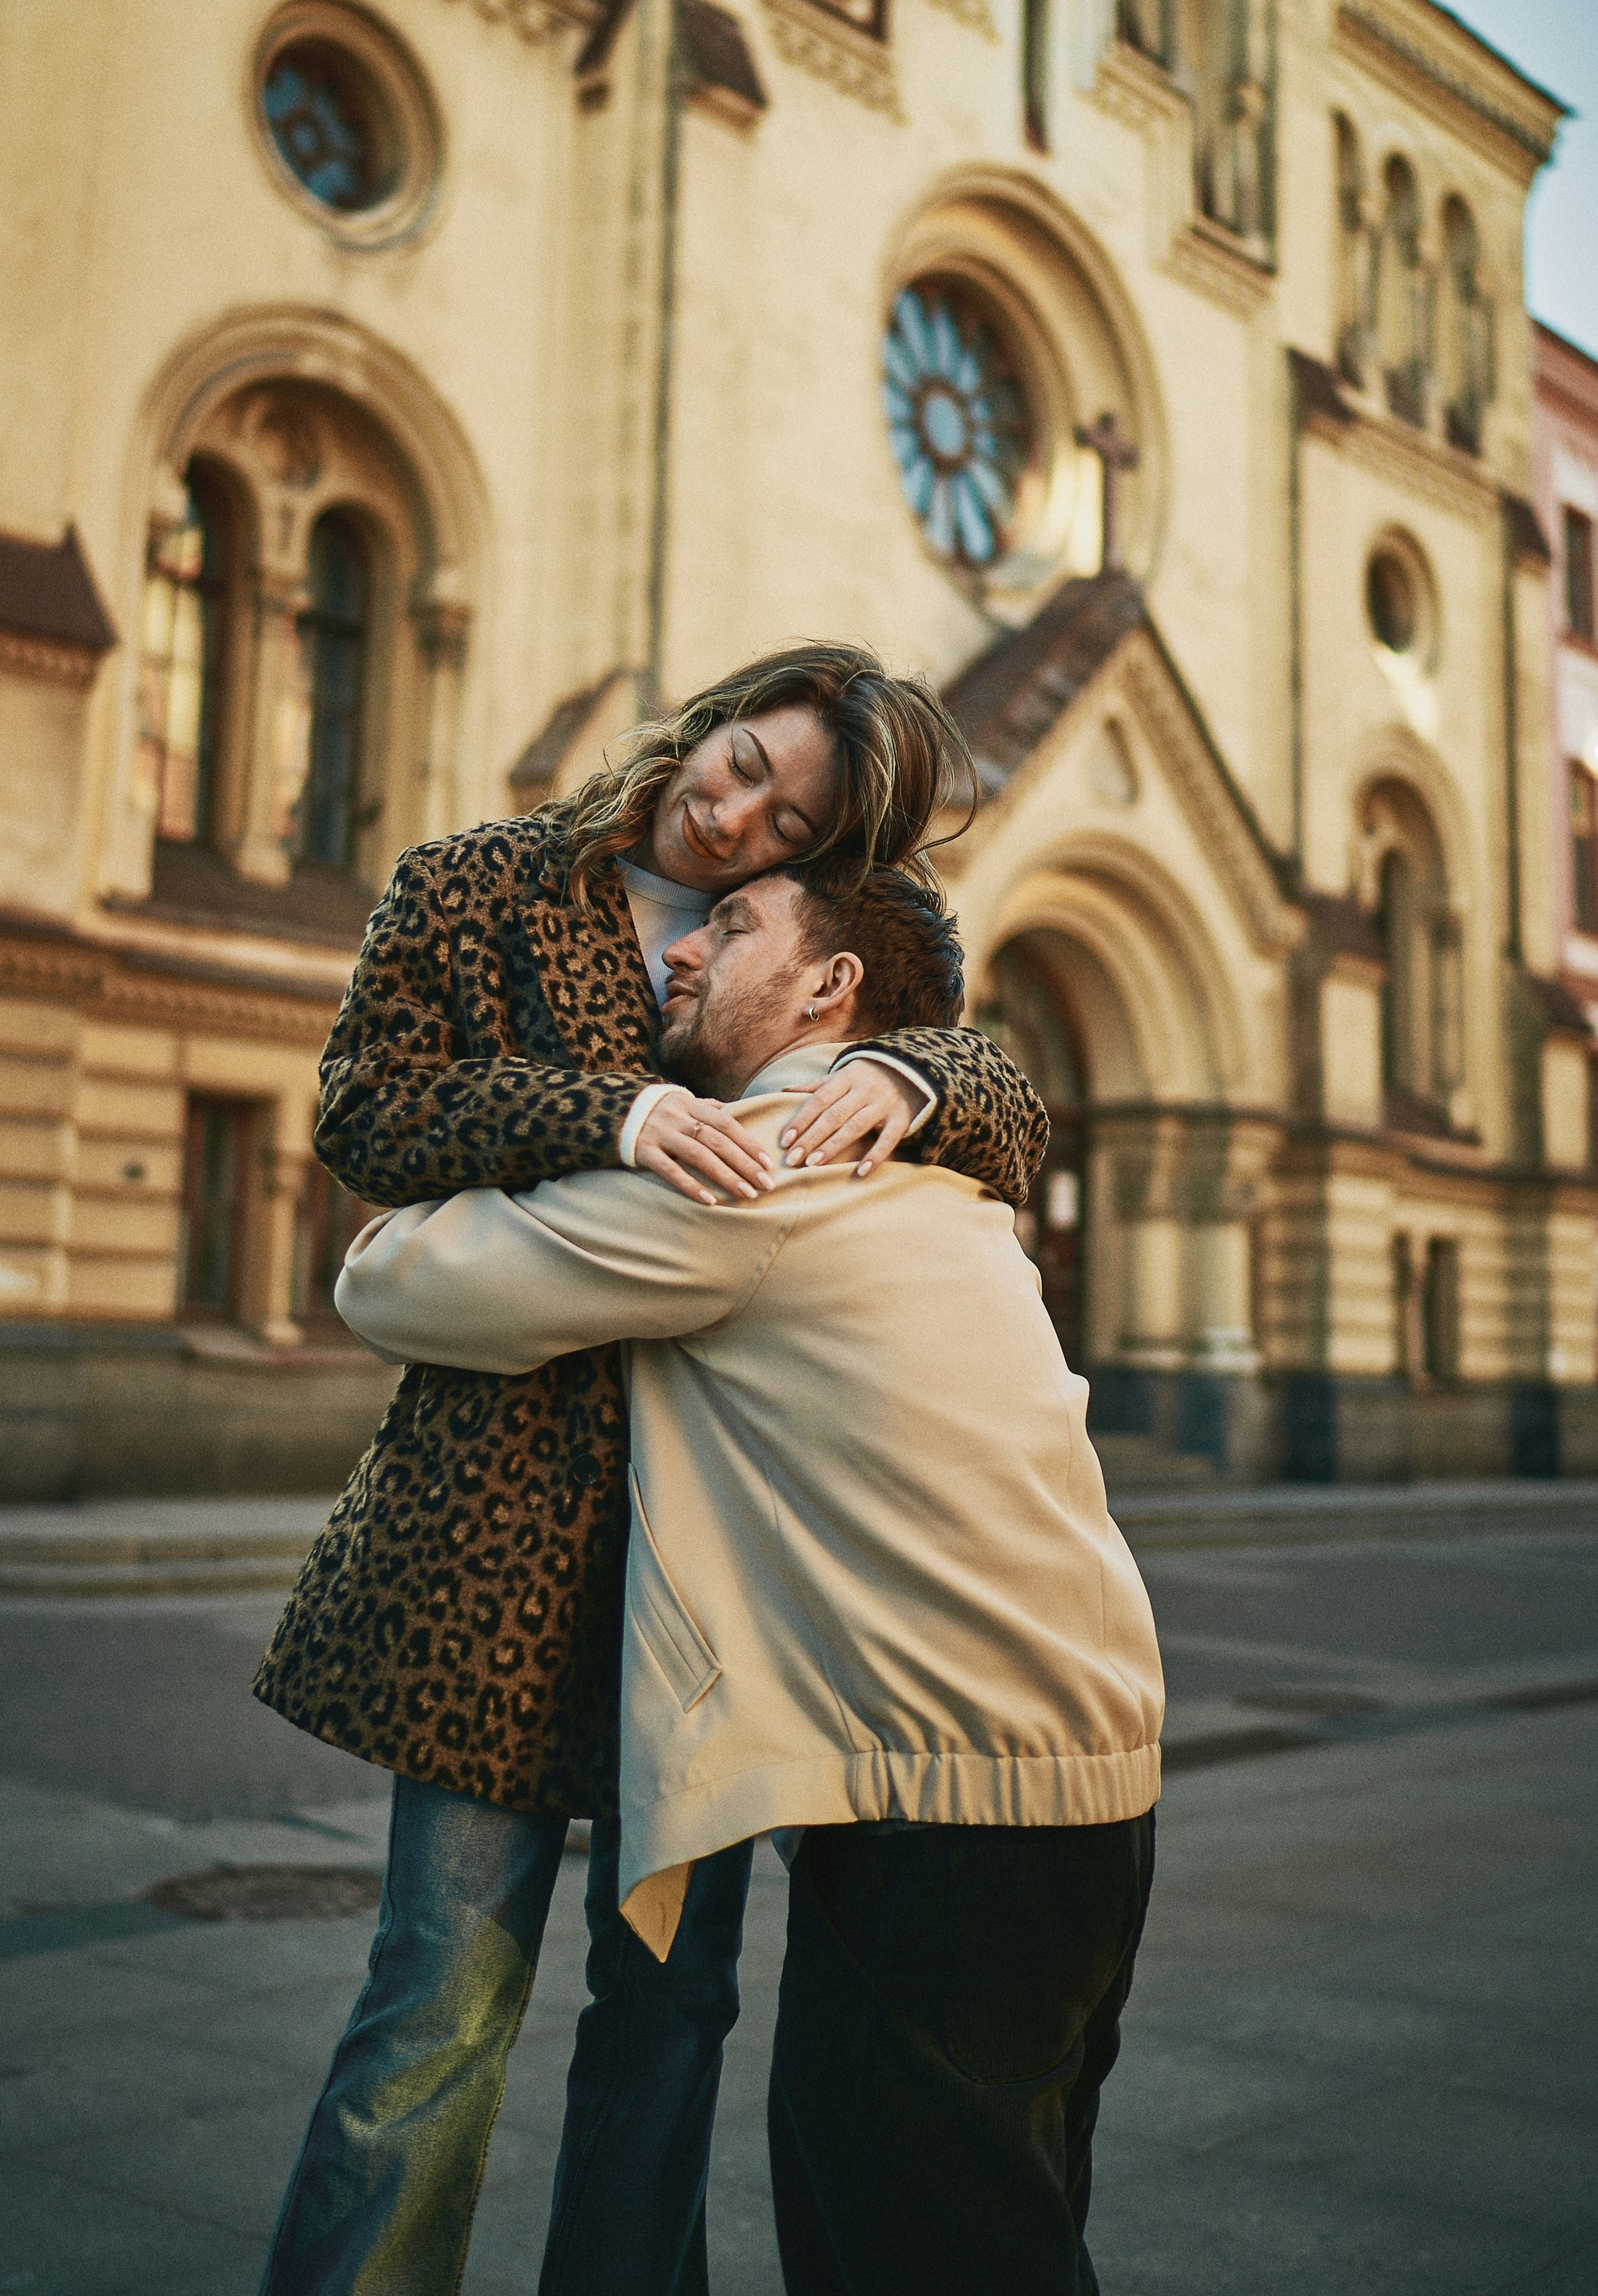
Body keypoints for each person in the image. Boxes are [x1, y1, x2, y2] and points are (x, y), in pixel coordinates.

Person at [253, 643, 1048, 2296]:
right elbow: (365, 1115)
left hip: (706, 1574)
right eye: (741, 760)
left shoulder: (825, 935)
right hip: (489, 1545)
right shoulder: (477, 883)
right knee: (434, 2006)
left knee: (671, 2019)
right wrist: (607, 1116)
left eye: (788, 820)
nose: (734, 814)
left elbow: (994, 1095)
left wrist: (911, 1067)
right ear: (712, 722)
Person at [336, 860, 1164, 2296]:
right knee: (1010, 2238)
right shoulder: (940, 1172)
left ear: (831, 988)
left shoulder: (758, 1169)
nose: (681, 950)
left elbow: (387, 1277)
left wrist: (595, 1123)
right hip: (1095, 1806)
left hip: (948, 1827)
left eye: (730, 927)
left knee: (902, 2257)